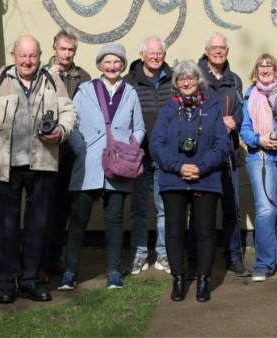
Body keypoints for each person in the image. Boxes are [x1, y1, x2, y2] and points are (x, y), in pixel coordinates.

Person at [0, 35, 77, 304]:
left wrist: (61, 131)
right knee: (7, 228)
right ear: (13, 55)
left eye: (32, 56)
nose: (27, 61)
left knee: (37, 227)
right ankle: (7, 283)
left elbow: (69, 112)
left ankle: (30, 281)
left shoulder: (53, 80)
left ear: (40, 56)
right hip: (6, 168)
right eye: (22, 55)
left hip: (42, 165)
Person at [58, 43, 144, 291]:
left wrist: (130, 147)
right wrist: (80, 149)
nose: (112, 66)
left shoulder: (130, 92)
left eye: (117, 62)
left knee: (115, 221)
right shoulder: (85, 90)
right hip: (88, 163)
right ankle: (70, 272)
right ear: (100, 65)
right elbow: (70, 121)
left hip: (120, 166)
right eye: (107, 62)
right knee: (78, 221)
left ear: (123, 65)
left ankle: (114, 272)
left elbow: (139, 127)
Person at [150, 60, 231, 303]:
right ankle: (178, 279)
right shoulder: (167, 109)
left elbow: (221, 144)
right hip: (173, 178)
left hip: (205, 178)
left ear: (199, 81)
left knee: (205, 231)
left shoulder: (212, 108)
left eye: (191, 78)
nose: (186, 83)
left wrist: (200, 167)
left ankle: (204, 279)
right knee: (174, 231)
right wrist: (178, 166)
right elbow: (156, 145)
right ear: (176, 83)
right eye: (181, 79)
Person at [193, 33, 248, 277]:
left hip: (228, 154)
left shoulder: (234, 80)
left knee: (231, 209)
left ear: (227, 51)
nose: (218, 51)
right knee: (200, 210)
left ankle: (233, 256)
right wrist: (217, 122)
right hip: (201, 156)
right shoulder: (194, 78)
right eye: (213, 48)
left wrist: (233, 121)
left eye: (222, 48)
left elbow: (240, 113)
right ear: (206, 51)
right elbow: (190, 113)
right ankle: (195, 258)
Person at [240, 53, 277, 281]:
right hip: (259, 156)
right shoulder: (249, 94)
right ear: (256, 70)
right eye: (260, 65)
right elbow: (244, 128)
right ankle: (263, 263)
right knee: (265, 210)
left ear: (276, 69)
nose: (265, 68)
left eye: (269, 65)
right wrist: (258, 140)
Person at [43, 31, 91, 278]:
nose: (66, 54)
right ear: (54, 49)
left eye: (71, 50)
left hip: (70, 152)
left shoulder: (83, 77)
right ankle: (37, 261)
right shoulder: (41, 73)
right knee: (41, 208)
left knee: (62, 207)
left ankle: (52, 258)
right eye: (62, 49)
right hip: (43, 150)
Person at [125, 36, 174, 275]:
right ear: (142, 55)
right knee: (139, 207)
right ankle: (140, 254)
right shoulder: (130, 82)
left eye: (160, 53)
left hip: (164, 156)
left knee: (164, 207)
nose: (155, 57)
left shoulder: (174, 81)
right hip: (139, 156)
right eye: (151, 53)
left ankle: (163, 254)